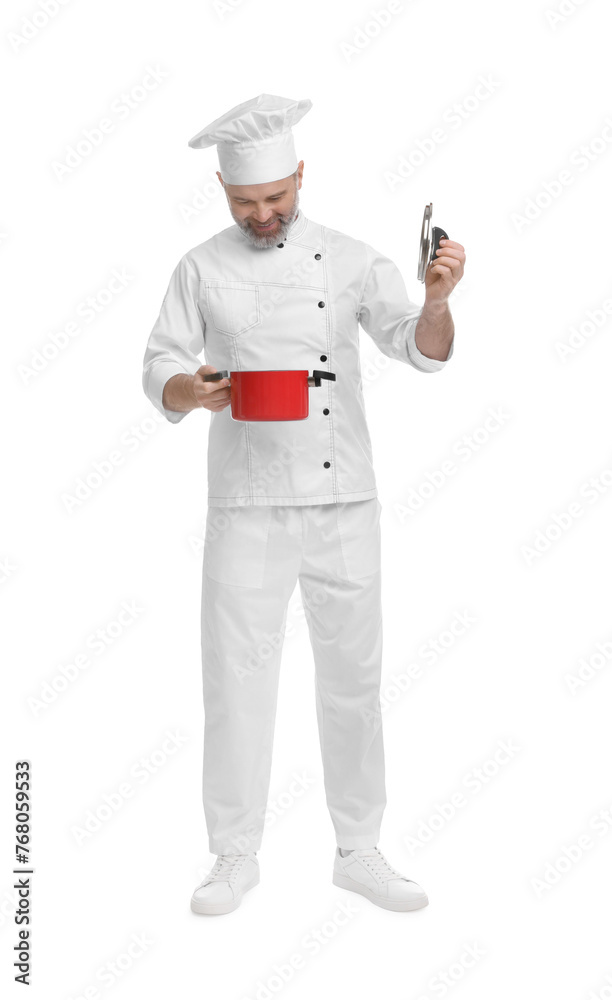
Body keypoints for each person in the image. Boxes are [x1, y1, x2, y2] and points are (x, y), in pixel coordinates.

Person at [142, 93, 465, 916]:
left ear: (299, 176)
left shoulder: (352, 259)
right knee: (235, 683)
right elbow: (161, 365)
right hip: (246, 506)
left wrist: (435, 301)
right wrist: (194, 389)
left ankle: (359, 848)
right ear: (222, 190)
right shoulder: (198, 266)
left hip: (344, 501)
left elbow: (417, 350)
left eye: (276, 197)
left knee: (354, 682)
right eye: (246, 201)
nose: (263, 214)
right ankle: (233, 856)